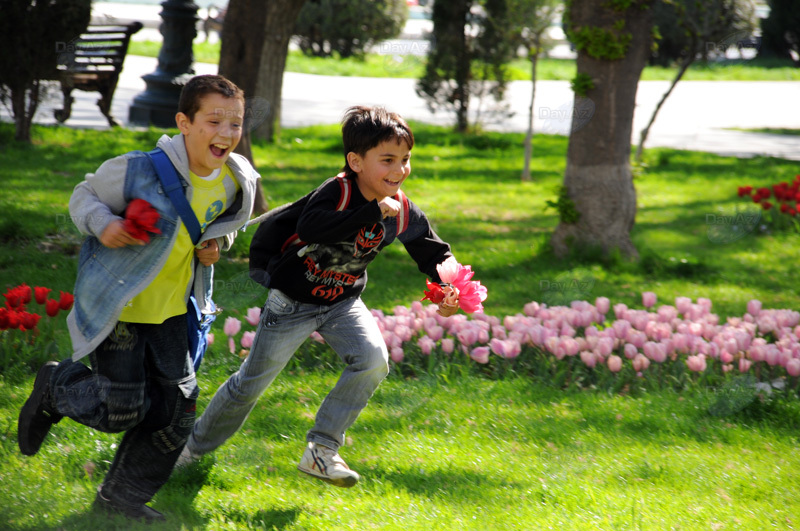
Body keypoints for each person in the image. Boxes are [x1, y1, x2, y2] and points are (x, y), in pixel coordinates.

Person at [17, 74, 260, 522]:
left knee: (175, 413)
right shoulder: (140, 169)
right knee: (121, 408)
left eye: (235, 124)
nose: (227, 134)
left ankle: (121, 498)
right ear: (184, 123)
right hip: (123, 307)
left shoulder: (234, 180)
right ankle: (56, 387)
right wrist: (104, 225)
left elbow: (221, 224)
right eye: (214, 121)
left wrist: (216, 247)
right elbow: (83, 195)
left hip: (170, 311)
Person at [177, 105, 460, 488]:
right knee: (250, 385)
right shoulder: (338, 192)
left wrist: (449, 286)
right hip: (292, 302)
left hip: (342, 302)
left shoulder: (402, 209)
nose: (400, 170)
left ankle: (322, 451)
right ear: (355, 161)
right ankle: (189, 450)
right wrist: (372, 212)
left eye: (406, 159)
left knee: (373, 361)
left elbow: (433, 250)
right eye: (388, 160)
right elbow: (313, 228)